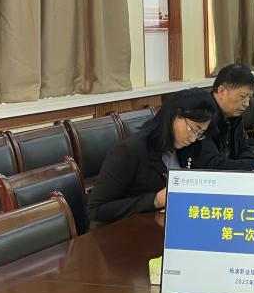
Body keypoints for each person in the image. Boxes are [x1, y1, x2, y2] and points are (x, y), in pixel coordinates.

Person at [87, 88, 216, 225]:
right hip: (132, 230)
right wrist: (155, 200)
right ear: (174, 114)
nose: (193, 138)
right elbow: (95, 210)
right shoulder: (130, 151)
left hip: (172, 224)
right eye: (193, 129)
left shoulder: (188, 147)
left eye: (199, 133)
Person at [177, 64, 254, 173]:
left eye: (249, 97)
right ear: (222, 91)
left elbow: (244, 151)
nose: (247, 103)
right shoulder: (202, 115)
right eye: (242, 97)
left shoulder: (234, 116)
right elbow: (212, 165)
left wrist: (249, 172)